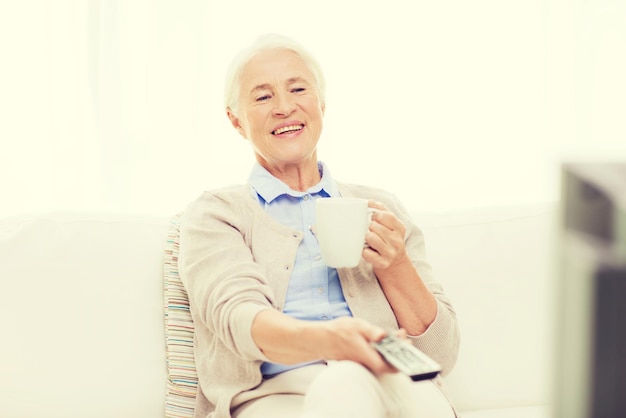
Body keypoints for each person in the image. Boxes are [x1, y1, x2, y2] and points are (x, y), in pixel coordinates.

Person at [179, 33, 460, 418]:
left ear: (321, 105)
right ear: (236, 121)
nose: (284, 107)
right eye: (262, 97)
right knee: (344, 385)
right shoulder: (217, 213)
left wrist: (395, 266)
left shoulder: (381, 207)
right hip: (274, 396)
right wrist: (332, 342)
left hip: (392, 385)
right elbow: (239, 320)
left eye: (298, 89)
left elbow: (439, 356)